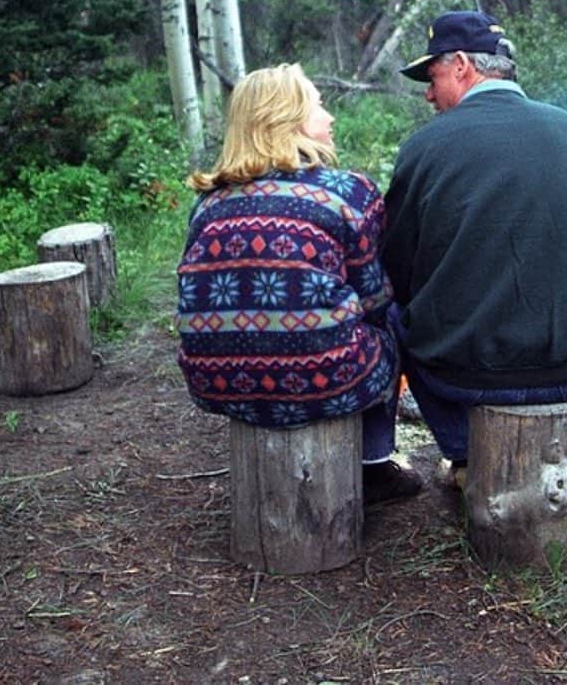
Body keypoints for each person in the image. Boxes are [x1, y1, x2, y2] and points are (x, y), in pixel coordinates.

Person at [381, 11, 567, 523]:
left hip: (460, 375)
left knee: (393, 316)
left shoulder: (423, 148)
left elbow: (395, 268)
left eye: (433, 77)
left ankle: (466, 458)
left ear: (462, 66)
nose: (427, 94)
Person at [175, 63, 422, 506]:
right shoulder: (350, 193)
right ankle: (374, 465)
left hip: (214, 380)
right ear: (285, 118)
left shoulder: (206, 204)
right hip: (322, 377)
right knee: (392, 323)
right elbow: (375, 299)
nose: (330, 117)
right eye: (319, 105)